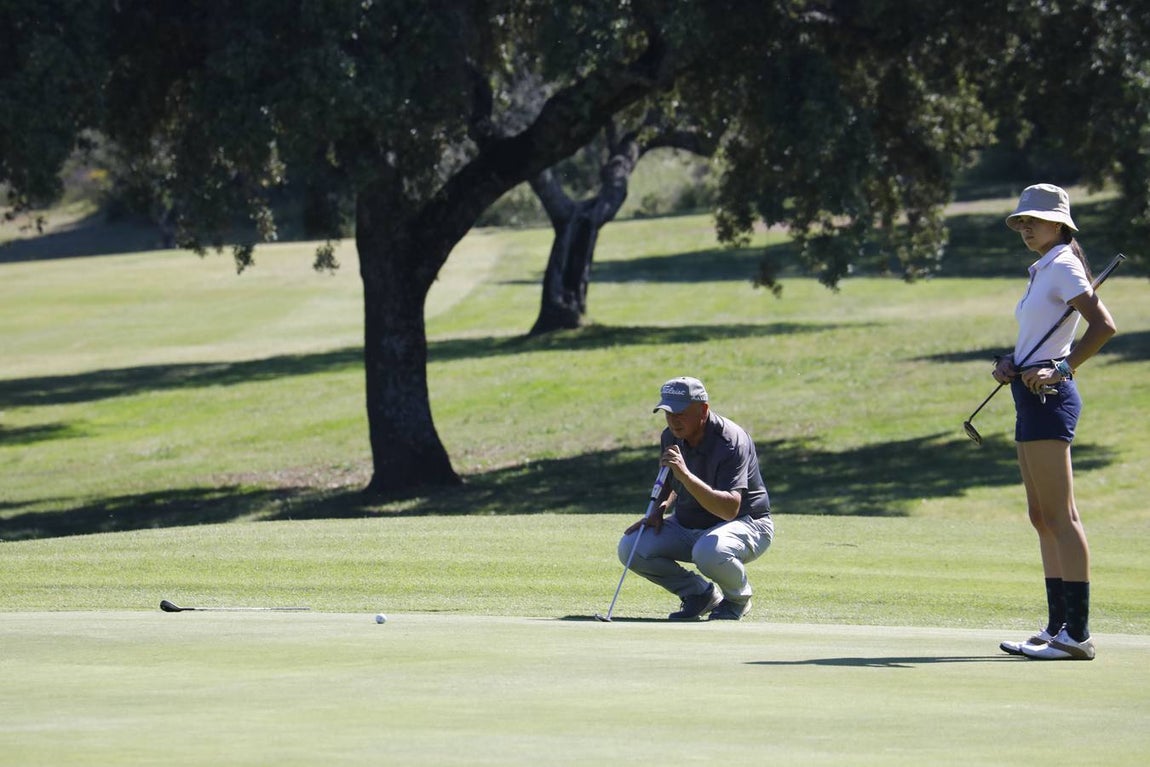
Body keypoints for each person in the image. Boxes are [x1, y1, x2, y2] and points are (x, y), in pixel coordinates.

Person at [994, 184, 1116, 661]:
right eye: (1021, 221)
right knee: (1041, 517)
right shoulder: (1045, 267)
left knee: (1061, 517)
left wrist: (1062, 369)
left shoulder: (1063, 263)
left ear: (1061, 224)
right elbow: (1039, 340)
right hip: (1029, 396)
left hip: (1050, 397)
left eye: (1035, 220)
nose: (1026, 227)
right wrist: (1010, 361)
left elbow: (1103, 326)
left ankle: (1077, 635)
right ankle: (1056, 626)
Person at [616, 376, 774, 621]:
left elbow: (729, 509)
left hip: (747, 524)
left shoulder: (731, 441)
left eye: (680, 413)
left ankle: (737, 600)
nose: (673, 420)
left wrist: (685, 474)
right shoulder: (671, 435)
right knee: (632, 547)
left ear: (703, 410)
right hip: (690, 526)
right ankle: (700, 594)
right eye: (667, 412)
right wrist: (659, 509)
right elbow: (670, 479)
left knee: (709, 551)